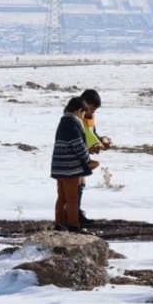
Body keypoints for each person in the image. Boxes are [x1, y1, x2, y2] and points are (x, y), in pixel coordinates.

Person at [51, 96, 98, 233]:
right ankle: (73, 225)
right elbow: (78, 145)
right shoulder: (72, 123)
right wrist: (87, 160)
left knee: (62, 197)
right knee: (72, 198)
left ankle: (59, 223)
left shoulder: (63, 121)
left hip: (59, 167)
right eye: (83, 113)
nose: (84, 116)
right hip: (70, 168)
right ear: (79, 110)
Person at [78, 89, 111, 223]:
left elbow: (92, 134)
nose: (92, 112)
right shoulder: (76, 118)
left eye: (94, 110)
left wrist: (102, 141)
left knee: (80, 184)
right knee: (74, 186)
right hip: (76, 156)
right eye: (91, 109)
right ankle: (71, 215)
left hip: (84, 155)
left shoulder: (89, 118)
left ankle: (76, 211)